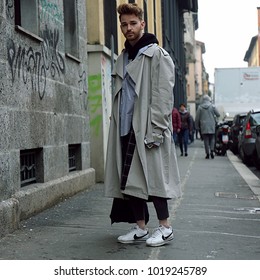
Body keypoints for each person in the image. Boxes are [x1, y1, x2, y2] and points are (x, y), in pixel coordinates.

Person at [104, 3, 181, 247]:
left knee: (155, 179)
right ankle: (140, 228)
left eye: (132, 23)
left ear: (142, 24)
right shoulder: (124, 56)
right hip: (125, 127)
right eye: (124, 24)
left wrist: (157, 129)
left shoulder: (157, 54)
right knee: (130, 181)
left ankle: (165, 227)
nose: (128, 28)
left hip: (148, 128)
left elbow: (163, 95)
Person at [195, 95, 220, 159]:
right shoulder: (212, 106)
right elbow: (218, 114)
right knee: (212, 138)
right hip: (211, 124)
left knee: (206, 140)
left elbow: (197, 118)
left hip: (203, 126)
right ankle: (212, 150)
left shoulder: (200, 107)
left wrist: (197, 126)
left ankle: (207, 153)